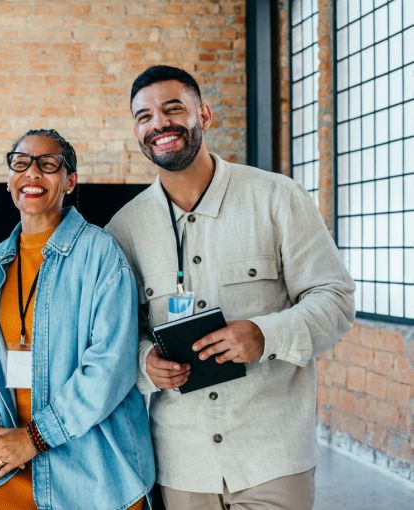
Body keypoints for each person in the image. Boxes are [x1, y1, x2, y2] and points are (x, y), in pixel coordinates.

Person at [105, 65, 356, 510]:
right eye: (144, 116)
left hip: (272, 456)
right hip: (182, 464)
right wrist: (146, 361)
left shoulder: (277, 198)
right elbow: (118, 332)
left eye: (173, 109)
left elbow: (334, 300)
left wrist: (264, 334)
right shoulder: (125, 229)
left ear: (204, 114)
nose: (159, 124)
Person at [0, 129, 155, 510]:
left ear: (70, 181)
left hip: (93, 468)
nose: (32, 173)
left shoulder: (101, 254)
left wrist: (35, 438)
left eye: (48, 165)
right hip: (10, 460)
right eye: (21, 163)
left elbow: (109, 366)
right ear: (9, 179)